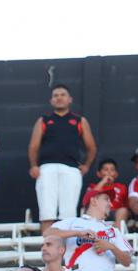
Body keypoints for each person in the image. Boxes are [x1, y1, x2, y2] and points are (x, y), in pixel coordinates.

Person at [27, 84, 97, 232]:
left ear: (70, 99)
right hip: (46, 168)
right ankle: (47, 251)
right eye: (56, 95)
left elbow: (91, 147)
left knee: (69, 214)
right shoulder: (44, 120)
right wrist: (34, 165)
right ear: (51, 100)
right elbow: (33, 146)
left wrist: (86, 166)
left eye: (62, 94)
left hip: (71, 169)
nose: (59, 98)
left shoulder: (79, 121)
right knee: (47, 213)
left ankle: (67, 253)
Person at [47, 192, 133, 271]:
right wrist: (78, 233)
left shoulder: (113, 230)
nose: (110, 204)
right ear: (93, 201)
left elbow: (127, 261)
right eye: (106, 199)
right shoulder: (72, 222)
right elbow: (48, 233)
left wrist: (110, 247)